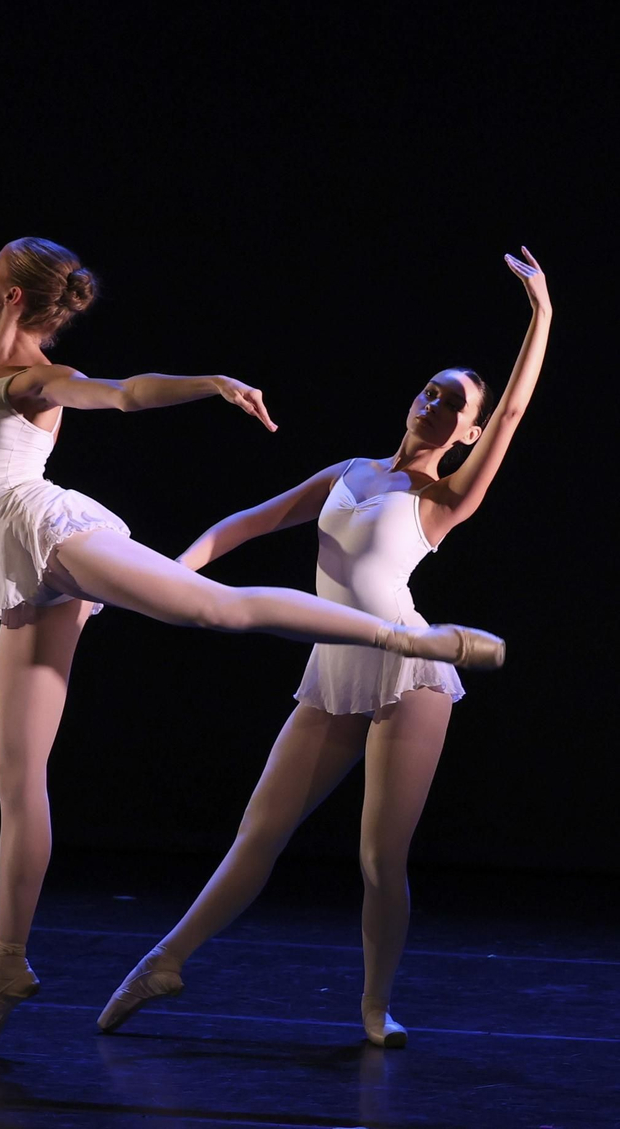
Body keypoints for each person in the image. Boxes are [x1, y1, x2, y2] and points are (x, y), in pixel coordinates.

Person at [0, 191, 505, 1055]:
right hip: (21, 572)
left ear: (13, 295)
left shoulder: (29, 381)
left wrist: (208, 384)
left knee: (216, 609)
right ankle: (6, 961)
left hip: (48, 531)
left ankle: (414, 639)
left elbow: (120, 395)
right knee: (19, 777)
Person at [97, 249, 550, 1048]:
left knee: (380, 856)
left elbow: (512, 414)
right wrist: (165, 576)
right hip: (335, 668)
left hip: (412, 672)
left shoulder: (442, 498)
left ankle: (375, 1009)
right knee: (259, 829)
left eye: (452, 403)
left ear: (468, 432)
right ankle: (163, 960)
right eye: (429, 388)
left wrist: (541, 315)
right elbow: (243, 524)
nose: (432, 402)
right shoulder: (350, 472)